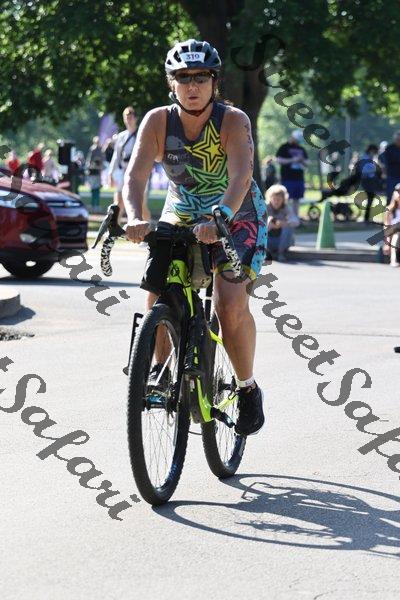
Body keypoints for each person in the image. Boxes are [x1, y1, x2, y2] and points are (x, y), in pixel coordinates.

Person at [122, 39, 268, 436]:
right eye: (183, 77)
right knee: (158, 285)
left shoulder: (232, 120)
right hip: (183, 209)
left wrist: (221, 218)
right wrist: (135, 218)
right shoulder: (157, 121)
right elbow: (135, 176)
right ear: (171, 83)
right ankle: (160, 369)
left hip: (236, 211)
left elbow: (241, 176)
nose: (192, 85)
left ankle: (247, 387)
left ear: (214, 83)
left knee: (229, 303)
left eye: (201, 77)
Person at [109, 107, 150, 221]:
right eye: (126, 117)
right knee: (118, 203)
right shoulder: (121, 136)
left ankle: (148, 227)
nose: (128, 119)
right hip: (123, 171)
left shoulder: (142, 135)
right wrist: (111, 173)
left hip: (138, 173)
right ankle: (114, 228)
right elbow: (116, 156)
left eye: (131, 117)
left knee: (140, 205)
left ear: (135, 119)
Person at [276, 130, 309, 216]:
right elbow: (279, 160)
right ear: (293, 137)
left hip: (299, 178)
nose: (298, 142)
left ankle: (295, 217)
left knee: (297, 199)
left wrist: (302, 160)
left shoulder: (301, 149)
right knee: (286, 198)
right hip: (287, 178)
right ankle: (286, 217)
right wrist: (292, 160)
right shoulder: (284, 147)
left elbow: (307, 162)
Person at [265, 184, 299, 261]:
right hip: (268, 240)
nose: (276, 202)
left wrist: (284, 223)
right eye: (274, 199)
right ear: (270, 198)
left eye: (279, 199)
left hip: (283, 241)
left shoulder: (286, 207)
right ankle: (266, 252)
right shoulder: (265, 207)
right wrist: (269, 223)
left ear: (283, 199)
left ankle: (280, 253)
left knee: (288, 228)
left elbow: (296, 221)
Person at [357, 144, 382, 223]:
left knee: (370, 199)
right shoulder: (365, 158)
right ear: (371, 151)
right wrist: (376, 169)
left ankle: (367, 217)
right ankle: (366, 218)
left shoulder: (370, 158)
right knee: (370, 198)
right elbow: (364, 171)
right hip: (367, 181)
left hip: (370, 181)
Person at [380, 131, 400, 204]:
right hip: (392, 176)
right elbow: (384, 162)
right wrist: (384, 173)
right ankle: (389, 209)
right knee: (390, 195)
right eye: (398, 139)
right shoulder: (389, 149)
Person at [383, 184, 400, 267]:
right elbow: (386, 226)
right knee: (397, 234)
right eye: (398, 192)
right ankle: (393, 259)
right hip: (394, 229)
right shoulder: (389, 210)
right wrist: (387, 242)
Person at [85, 136, 104, 211]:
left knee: (97, 189)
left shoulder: (100, 150)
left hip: (97, 172)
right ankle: (93, 204)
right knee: (94, 189)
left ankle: (96, 204)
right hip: (93, 172)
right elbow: (89, 160)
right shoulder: (93, 149)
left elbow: (102, 160)